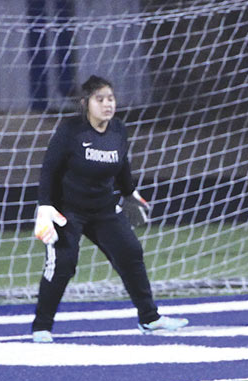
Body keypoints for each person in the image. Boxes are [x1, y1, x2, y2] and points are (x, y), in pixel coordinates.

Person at [31, 75, 188, 343]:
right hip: (67, 210)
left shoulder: (118, 130)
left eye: (111, 99)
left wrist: (130, 193)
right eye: (100, 99)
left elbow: (122, 164)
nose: (107, 104)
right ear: (86, 103)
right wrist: (45, 207)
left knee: (131, 253)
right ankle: (42, 327)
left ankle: (149, 318)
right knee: (63, 265)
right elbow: (49, 169)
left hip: (103, 208)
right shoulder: (70, 130)